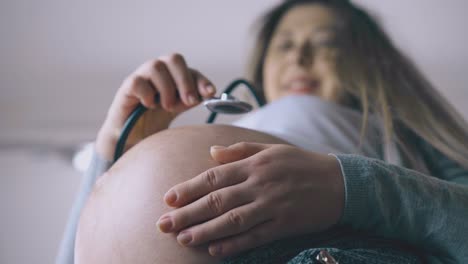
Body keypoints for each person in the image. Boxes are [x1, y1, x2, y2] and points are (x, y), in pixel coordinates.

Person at [56, 0, 468, 263]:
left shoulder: (415, 140)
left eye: (325, 43)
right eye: (284, 46)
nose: (300, 57)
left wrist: (347, 188)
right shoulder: (246, 123)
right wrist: (113, 154)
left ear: (374, 64)